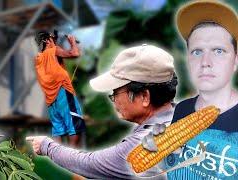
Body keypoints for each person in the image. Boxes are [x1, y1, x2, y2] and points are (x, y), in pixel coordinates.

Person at [27, 44, 178, 179]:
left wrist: (46, 146)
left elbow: (89, 163)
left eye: (116, 92)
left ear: (144, 96)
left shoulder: (146, 144)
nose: (114, 99)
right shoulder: (180, 117)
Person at [143, 1, 238, 179]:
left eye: (218, 51)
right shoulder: (182, 109)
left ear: (236, 61)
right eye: (197, 52)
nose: (205, 62)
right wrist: (156, 159)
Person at [34, 30, 86, 147]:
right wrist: (72, 42)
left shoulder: (38, 59)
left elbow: (53, 64)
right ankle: (72, 157)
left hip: (51, 100)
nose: (55, 42)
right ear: (46, 40)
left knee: (58, 129)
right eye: (53, 39)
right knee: (74, 125)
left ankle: (57, 157)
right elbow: (74, 54)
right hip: (63, 93)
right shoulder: (54, 51)